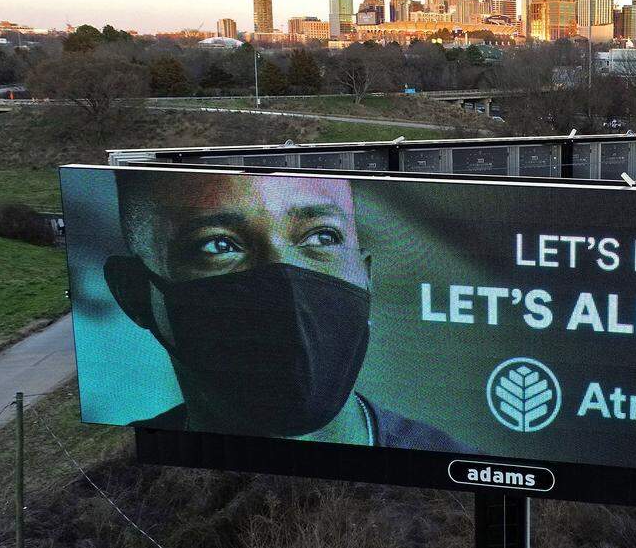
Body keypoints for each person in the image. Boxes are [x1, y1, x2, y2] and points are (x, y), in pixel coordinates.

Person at [102, 169, 468, 452]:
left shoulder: (452, 464)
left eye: (323, 236)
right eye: (218, 244)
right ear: (135, 294)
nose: (287, 284)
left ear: (366, 277)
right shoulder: (125, 470)